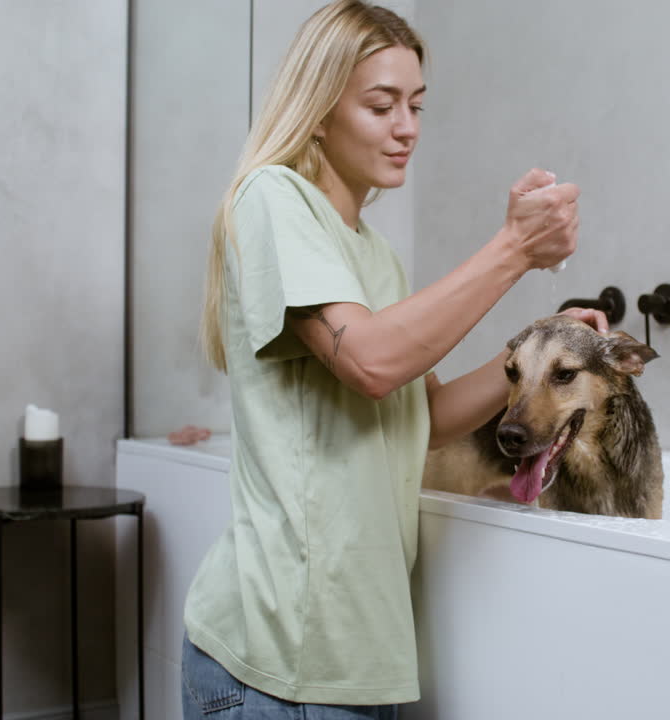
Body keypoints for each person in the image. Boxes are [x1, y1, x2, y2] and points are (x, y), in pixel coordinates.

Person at [183, 1, 606, 717]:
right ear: (318, 109)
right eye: (381, 105)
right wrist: (513, 251)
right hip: (279, 662)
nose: (407, 127)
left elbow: (424, 416)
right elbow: (371, 364)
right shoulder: (272, 199)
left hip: (361, 659)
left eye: (415, 105)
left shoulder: (373, 252)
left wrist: (538, 346)